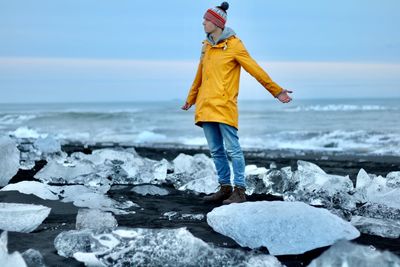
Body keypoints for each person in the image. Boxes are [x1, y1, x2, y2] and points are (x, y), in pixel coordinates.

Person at [181, 2, 293, 205]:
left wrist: (276, 91)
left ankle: (239, 190)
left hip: (224, 106)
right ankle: (225, 188)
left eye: (206, 20)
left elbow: (255, 69)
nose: (203, 23)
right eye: (204, 19)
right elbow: (200, 74)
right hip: (205, 106)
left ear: (217, 23)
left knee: (233, 149)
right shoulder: (206, 46)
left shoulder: (234, 45)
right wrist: (191, 98)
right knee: (216, 150)